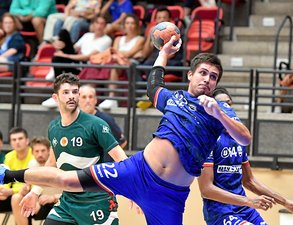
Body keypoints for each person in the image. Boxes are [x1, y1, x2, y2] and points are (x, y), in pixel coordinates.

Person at [1, 36, 252, 225]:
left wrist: (219, 112)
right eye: (203, 73)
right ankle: (8, 174)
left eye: (213, 77)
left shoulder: (218, 111)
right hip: (137, 170)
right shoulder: (173, 98)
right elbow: (154, 83)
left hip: (169, 196)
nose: (207, 80)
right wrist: (163, 53)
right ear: (190, 75)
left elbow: (244, 138)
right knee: (68, 179)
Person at [9, 72, 128, 225]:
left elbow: (123, 160)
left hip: (98, 201)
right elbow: (51, 165)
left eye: (74, 92)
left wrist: (136, 193)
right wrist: (35, 193)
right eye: (65, 92)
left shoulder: (96, 124)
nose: (71, 96)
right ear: (55, 98)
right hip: (68, 203)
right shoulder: (53, 127)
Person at [198, 87, 293, 225]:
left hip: (244, 208)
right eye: (221, 104)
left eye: (228, 103)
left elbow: (249, 181)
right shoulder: (208, 139)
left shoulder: (239, 138)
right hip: (220, 210)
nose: (226, 107)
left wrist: (285, 202)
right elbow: (206, 190)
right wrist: (249, 201)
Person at [42, 14, 112, 108]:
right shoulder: (87, 35)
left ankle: (54, 76)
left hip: (87, 65)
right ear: (93, 24)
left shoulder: (106, 39)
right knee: (64, 33)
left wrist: (65, 55)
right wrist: (61, 46)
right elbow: (74, 48)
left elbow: (87, 57)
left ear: (105, 26)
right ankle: (54, 44)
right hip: (76, 60)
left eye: (102, 24)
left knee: (58, 59)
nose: (99, 26)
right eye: (97, 23)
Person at [98, 13, 144, 110]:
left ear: (136, 25)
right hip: (116, 62)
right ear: (124, 26)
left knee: (114, 66)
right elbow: (112, 53)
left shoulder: (140, 39)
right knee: (110, 64)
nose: (130, 26)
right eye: (127, 23)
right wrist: (120, 54)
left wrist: (119, 53)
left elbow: (129, 54)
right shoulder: (118, 39)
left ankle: (111, 97)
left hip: (131, 63)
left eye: (132, 23)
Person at [11, 136, 60, 225]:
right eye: (37, 151)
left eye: (43, 151)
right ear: (32, 152)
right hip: (39, 202)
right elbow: (28, 188)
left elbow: (71, 191)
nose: (40, 154)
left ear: (49, 151)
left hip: (58, 202)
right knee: (17, 198)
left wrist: (52, 198)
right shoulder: (32, 164)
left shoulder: (59, 164)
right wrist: (24, 190)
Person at [79, 84, 127, 148]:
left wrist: (109, 157)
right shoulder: (73, 120)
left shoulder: (106, 120)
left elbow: (122, 142)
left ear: (95, 100)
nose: (88, 100)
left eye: (90, 97)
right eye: (84, 97)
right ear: (78, 100)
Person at [0, 127, 33, 214]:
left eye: (20, 138)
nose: (17, 142)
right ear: (11, 143)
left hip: (31, 193)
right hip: (12, 194)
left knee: (17, 198)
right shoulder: (9, 157)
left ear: (27, 140)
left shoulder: (34, 155)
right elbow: (4, 178)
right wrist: (3, 190)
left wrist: (11, 191)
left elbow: (31, 185)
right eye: (14, 140)